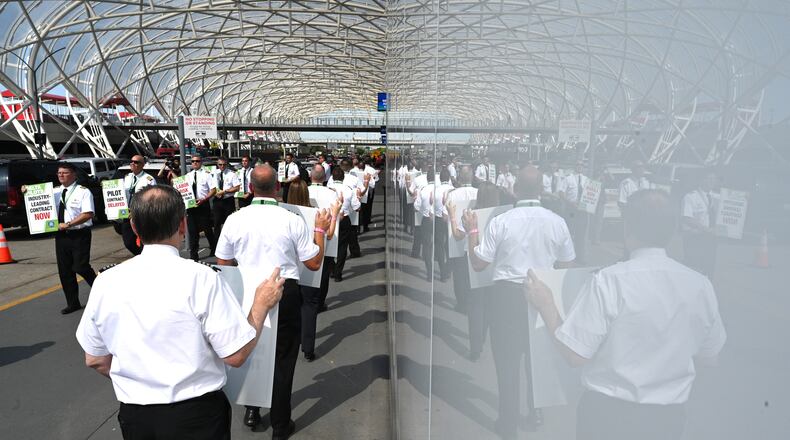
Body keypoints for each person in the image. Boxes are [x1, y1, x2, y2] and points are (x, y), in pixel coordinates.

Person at [76, 185, 285, 440]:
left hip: (137, 416)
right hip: (196, 415)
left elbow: (95, 358)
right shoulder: (203, 278)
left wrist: (141, 380)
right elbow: (236, 353)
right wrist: (260, 306)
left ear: (133, 227)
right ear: (183, 226)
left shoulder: (106, 282)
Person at [525, 189, 726, 440]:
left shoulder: (609, 281)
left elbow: (575, 354)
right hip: (668, 418)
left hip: (609, 415)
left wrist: (546, 305)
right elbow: (709, 357)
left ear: (627, 229)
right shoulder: (700, 285)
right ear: (673, 230)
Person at [215, 164, 331, 440]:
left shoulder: (235, 218)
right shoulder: (291, 219)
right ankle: (280, 424)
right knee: (283, 358)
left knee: (250, 351)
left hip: (248, 289)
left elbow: (223, 262)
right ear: (277, 187)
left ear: (250, 188)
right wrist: (320, 230)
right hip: (283, 289)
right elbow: (313, 263)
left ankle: (252, 409)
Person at [463, 165, 575, 438]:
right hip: (542, 292)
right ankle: (535, 413)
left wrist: (472, 231)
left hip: (506, 296)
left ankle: (508, 421)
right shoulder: (557, 221)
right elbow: (568, 264)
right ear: (542, 190)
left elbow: (479, 263)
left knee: (507, 362)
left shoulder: (502, 221)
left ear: (514, 189)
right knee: (536, 359)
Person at [290, 170, 341, 361]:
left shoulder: (284, 212)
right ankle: (308, 348)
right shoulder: (315, 214)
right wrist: (334, 215)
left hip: (289, 267)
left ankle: (293, 341)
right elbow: (328, 235)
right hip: (310, 264)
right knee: (309, 305)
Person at [51, 162, 98, 314]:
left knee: (80, 267)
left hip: (79, 234)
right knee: (65, 271)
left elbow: (88, 214)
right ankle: (73, 303)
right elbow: (35, 198)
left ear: (74, 175)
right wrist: (26, 190)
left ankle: (102, 289)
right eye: (59, 173)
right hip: (61, 236)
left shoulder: (83, 192)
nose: (61, 175)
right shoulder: (55, 191)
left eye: (64, 172)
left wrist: (69, 224)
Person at [307, 165, 343, 311]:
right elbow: (337, 214)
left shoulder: (304, 191)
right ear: (325, 178)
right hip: (328, 237)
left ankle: (309, 301)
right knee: (324, 273)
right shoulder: (331, 194)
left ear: (311, 176)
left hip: (307, 238)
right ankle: (320, 303)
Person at [681, 169, 719, 278]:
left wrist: (743, 199)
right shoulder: (690, 197)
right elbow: (686, 218)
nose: (712, 181)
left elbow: (732, 203)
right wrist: (705, 229)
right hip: (695, 238)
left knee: (709, 269)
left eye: (714, 179)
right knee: (695, 269)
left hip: (711, 238)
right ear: (701, 180)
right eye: (709, 178)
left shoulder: (716, 196)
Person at [330, 164, 364, 281]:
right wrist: (358, 197)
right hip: (344, 218)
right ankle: (338, 273)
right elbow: (357, 208)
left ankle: (332, 269)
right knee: (342, 247)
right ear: (343, 177)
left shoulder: (328, 189)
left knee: (328, 246)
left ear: (332, 177)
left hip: (330, 219)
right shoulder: (349, 190)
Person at [185, 155, 217, 261]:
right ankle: (194, 255)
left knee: (207, 229)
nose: (195, 163)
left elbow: (213, 190)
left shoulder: (207, 175)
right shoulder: (188, 176)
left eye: (197, 161)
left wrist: (204, 199)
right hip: (191, 206)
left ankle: (213, 247)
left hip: (203, 205)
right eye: (193, 161)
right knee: (192, 231)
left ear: (201, 162)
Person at [122, 155, 156, 255]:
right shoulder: (127, 177)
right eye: (131, 161)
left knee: (144, 242)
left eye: (136, 162)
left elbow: (152, 199)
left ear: (142, 165)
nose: (132, 163)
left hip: (141, 214)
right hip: (126, 214)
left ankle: (145, 260)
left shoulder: (148, 179)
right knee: (128, 242)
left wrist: (137, 211)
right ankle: (140, 256)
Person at [562, 161, 591, 263]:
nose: (580, 167)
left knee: (581, 234)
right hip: (571, 209)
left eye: (582, 165)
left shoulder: (587, 180)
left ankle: (580, 257)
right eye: (578, 165)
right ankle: (569, 257)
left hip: (582, 210)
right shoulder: (568, 178)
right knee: (570, 233)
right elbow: (562, 193)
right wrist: (570, 203)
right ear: (575, 166)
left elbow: (590, 196)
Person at [212, 157, 240, 235]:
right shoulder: (213, 173)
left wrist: (224, 191)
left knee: (229, 223)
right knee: (216, 223)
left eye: (224, 164)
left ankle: (229, 239)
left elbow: (237, 187)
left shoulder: (232, 174)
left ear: (227, 164)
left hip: (228, 200)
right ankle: (216, 243)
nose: (222, 166)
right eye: (220, 164)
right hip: (217, 200)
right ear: (217, 165)